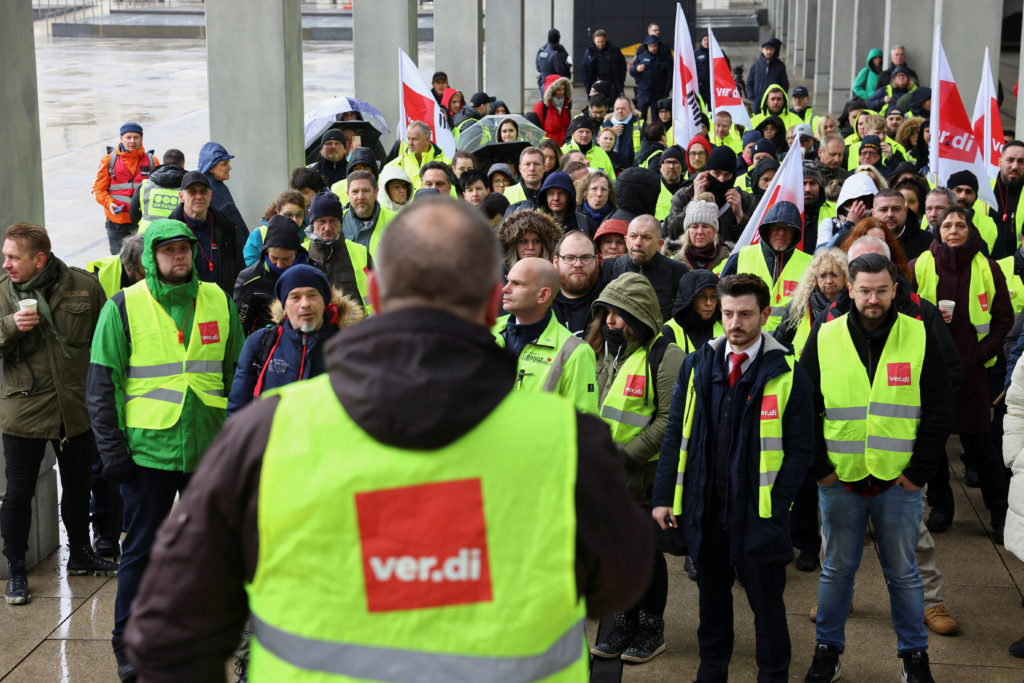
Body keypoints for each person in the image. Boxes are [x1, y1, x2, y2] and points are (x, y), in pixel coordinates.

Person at [123, 197, 654, 681]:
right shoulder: (567, 441)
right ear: (493, 301)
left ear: (374, 293)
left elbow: (168, 631)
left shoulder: (269, 432)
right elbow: (620, 581)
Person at [87, 218, 243, 680]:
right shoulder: (122, 307)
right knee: (140, 549)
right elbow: (102, 387)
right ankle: (127, 640)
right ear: (151, 258)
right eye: (169, 250)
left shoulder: (218, 299)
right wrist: (113, 454)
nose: (179, 256)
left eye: (185, 248)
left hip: (208, 449)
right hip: (147, 453)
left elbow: (236, 373)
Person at [652, 272, 813, 682]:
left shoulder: (788, 372)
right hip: (707, 511)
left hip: (758, 515)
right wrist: (664, 496)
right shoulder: (696, 365)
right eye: (727, 314)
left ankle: (773, 676)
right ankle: (711, 672)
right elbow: (675, 435)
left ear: (765, 314)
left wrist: (777, 504)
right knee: (712, 605)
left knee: (767, 609)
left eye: (745, 314)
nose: (734, 323)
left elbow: (801, 450)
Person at [800, 253, 951, 683]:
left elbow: (940, 407)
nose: (873, 299)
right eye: (864, 290)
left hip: (899, 482)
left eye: (882, 290)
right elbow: (804, 405)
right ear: (849, 290)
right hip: (839, 480)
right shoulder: (825, 335)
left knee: (904, 574)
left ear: (895, 290)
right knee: (836, 571)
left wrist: (919, 472)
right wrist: (820, 468)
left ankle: (914, 657)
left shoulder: (918, 333)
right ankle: (827, 651)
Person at [0, 222, 117, 606]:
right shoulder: (3, 294)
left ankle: (80, 554)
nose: (6, 264)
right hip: (24, 410)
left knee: (78, 486)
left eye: (13, 257)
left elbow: (106, 341)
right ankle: (16, 567)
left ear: (40, 259)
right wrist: (10, 327)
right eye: (5, 256)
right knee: (18, 493)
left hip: (75, 408)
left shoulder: (84, 287)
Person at [588, 272, 685, 664]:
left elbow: (670, 420)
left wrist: (626, 456)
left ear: (640, 314)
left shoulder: (666, 355)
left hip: (643, 479)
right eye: (606, 313)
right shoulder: (605, 351)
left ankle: (651, 627)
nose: (610, 321)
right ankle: (624, 620)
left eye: (619, 314)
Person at [911, 206, 1012, 544]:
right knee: (934, 444)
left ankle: (1000, 513)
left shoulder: (988, 267)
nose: (953, 230)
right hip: (931, 372)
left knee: (981, 445)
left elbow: (1003, 319)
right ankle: (941, 507)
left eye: (960, 225)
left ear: (971, 230)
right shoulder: (920, 265)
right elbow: (904, 313)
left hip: (972, 373)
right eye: (947, 225)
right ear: (937, 231)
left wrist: (981, 354)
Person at [228, 264, 362, 414]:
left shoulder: (348, 347)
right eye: (295, 297)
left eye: (312, 295)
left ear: (325, 301)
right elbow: (238, 408)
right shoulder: (260, 343)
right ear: (284, 306)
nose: (305, 304)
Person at [494, 257, 598, 414]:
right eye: (508, 281)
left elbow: (583, 423)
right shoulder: (487, 330)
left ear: (543, 295)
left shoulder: (575, 353)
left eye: (517, 284)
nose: (505, 289)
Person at [720, 201, 813, 331]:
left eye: (787, 229)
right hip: (748, 337)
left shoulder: (811, 264)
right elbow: (720, 297)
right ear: (767, 229)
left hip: (793, 341)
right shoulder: (741, 257)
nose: (781, 233)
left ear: (795, 233)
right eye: (776, 227)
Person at [233, 215, 321, 335]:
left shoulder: (315, 272)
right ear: (266, 251)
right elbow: (239, 328)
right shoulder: (249, 279)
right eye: (274, 258)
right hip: (266, 343)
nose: (279, 265)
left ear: (296, 252)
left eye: (286, 259)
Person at [167, 171, 244, 295]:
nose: (198, 196)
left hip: (222, 301)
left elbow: (239, 270)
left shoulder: (226, 228)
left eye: (203, 191)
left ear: (210, 195)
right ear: (181, 196)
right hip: (186, 302)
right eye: (192, 192)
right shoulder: (169, 232)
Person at [602, 214, 689, 322]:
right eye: (633, 236)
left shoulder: (677, 270)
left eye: (646, 237)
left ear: (660, 244)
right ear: (626, 240)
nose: (638, 243)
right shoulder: (610, 267)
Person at [93, 122, 159, 254]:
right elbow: (98, 190)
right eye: (128, 137)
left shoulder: (152, 161)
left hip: (142, 222)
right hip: (117, 223)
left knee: (143, 259)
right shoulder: (108, 161)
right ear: (121, 138)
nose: (132, 141)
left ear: (141, 138)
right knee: (118, 260)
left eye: (136, 137)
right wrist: (109, 203)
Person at [668, 146, 756, 245]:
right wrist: (695, 200)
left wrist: (740, 215)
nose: (721, 179)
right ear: (707, 173)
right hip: (691, 254)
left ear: (733, 176)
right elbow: (672, 233)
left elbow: (754, 240)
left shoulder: (745, 199)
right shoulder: (684, 196)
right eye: (716, 173)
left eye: (727, 175)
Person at [304, 191, 373, 313]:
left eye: (333, 221)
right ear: (312, 223)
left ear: (340, 222)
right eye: (322, 221)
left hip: (357, 324)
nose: (328, 228)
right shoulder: (300, 253)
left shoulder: (360, 252)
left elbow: (376, 293)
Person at [551, 231, 602, 338]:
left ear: (596, 260)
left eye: (586, 257)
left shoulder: (609, 304)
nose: (578, 264)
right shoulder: (541, 304)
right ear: (556, 262)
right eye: (569, 258)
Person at [662, 269, 723, 353]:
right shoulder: (669, 331)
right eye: (702, 296)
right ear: (689, 299)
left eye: (714, 296)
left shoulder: (725, 325)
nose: (709, 303)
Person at [245, 189, 308, 268]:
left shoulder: (310, 234)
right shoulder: (258, 234)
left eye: (299, 215)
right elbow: (249, 266)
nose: (294, 220)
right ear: (278, 212)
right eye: (288, 215)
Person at [340, 170, 396, 259]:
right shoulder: (338, 221)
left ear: (376, 192)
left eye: (366, 191)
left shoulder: (396, 221)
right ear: (348, 194)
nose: (360, 197)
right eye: (355, 192)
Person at [198, 141, 246, 243]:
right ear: (211, 168)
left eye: (228, 163)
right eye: (224, 164)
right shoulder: (209, 193)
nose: (229, 168)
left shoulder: (220, 187)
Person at [671, 192, 731, 271]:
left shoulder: (728, 258)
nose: (700, 232)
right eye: (694, 227)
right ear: (687, 231)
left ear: (714, 231)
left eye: (705, 226)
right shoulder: (676, 262)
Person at [385, 121, 450, 192]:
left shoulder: (446, 164)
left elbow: (452, 193)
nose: (410, 143)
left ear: (427, 140)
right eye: (408, 139)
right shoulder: (395, 165)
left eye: (414, 139)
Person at [130, 149, 184, 233]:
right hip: (177, 235)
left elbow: (133, 214)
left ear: (163, 164)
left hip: (147, 235)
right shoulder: (188, 188)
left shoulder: (145, 185)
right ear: (183, 165)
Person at [872, 188, 931, 261]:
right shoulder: (863, 241)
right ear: (873, 213)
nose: (890, 214)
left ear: (905, 211)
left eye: (896, 209)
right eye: (883, 209)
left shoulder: (928, 242)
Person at [498, 209, 562, 275]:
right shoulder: (499, 274)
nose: (530, 247)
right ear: (514, 245)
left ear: (543, 245)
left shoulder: (556, 272)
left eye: (536, 241)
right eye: (523, 241)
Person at [87, 234, 146, 300]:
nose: (151, 280)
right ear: (128, 267)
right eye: (145, 276)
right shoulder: (98, 278)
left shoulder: (135, 267)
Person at [630, 35, 671, 122]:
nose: (653, 48)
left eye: (655, 46)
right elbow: (631, 72)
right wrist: (637, 68)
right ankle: (640, 131)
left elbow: (669, 75)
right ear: (647, 46)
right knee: (640, 117)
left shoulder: (663, 58)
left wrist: (666, 91)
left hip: (658, 93)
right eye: (651, 46)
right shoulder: (641, 57)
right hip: (643, 93)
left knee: (657, 117)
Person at [746, 37, 789, 106]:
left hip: (773, 103)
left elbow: (785, 84)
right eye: (767, 49)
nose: (769, 52)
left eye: (771, 49)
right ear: (762, 50)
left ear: (774, 50)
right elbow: (749, 83)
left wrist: (779, 98)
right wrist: (752, 97)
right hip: (758, 102)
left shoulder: (780, 66)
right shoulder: (755, 65)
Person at [581, 29, 626, 96]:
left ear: (606, 39)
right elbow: (584, 70)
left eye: (602, 42)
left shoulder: (615, 50)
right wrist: (587, 85)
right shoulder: (589, 53)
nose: (600, 44)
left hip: (613, 85)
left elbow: (622, 66)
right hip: (596, 85)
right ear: (594, 41)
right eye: (598, 42)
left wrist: (620, 81)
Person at [603, 97, 644, 168]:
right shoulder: (606, 124)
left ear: (630, 110)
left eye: (623, 109)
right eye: (617, 109)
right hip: (609, 166)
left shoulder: (640, 125)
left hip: (632, 167)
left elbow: (645, 149)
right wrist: (610, 133)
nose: (620, 111)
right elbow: (595, 143)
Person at [536, 28, 571, 95]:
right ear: (558, 38)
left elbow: (538, 68)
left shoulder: (542, 50)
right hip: (556, 85)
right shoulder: (556, 53)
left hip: (544, 84)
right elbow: (561, 70)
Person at [655, 146, 686, 221]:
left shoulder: (689, 188)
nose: (671, 166)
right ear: (661, 167)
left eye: (675, 162)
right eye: (668, 162)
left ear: (681, 166)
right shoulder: (653, 188)